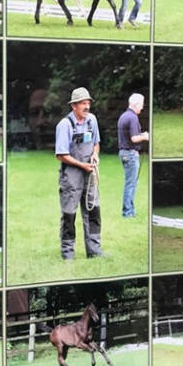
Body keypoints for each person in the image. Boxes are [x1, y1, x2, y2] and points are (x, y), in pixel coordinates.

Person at [55, 87, 103, 260]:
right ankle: (68, 253)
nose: (87, 106)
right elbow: (61, 155)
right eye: (83, 103)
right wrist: (82, 165)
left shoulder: (92, 120)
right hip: (71, 176)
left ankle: (95, 251)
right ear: (74, 106)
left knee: (93, 211)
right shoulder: (65, 125)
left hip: (89, 174)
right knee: (69, 214)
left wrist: (95, 155)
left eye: (88, 102)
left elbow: (96, 143)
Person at [117, 93, 149, 217]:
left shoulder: (123, 116)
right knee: (131, 184)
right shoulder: (133, 117)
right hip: (130, 153)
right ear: (136, 104)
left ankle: (130, 209)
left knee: (131, 182)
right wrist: (145, 136)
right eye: (141, 104)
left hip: (124, 153)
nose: (142, 107)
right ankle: (128, 212)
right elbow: (134, 138)